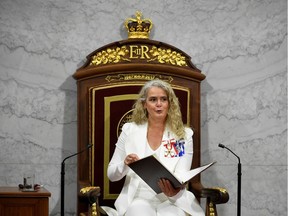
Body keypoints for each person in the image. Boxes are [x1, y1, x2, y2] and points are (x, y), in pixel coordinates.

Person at [104, 79, 205, 216]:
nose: (159, 104)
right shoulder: (129, 130)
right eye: (153, 99)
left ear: (170, 104)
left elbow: (182, 174)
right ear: (144, 104)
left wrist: (174, 193)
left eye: (163, 99)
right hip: (138, 198)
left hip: (172, 200)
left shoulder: (183, 135)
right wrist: (125, 165)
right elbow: (111, 175)